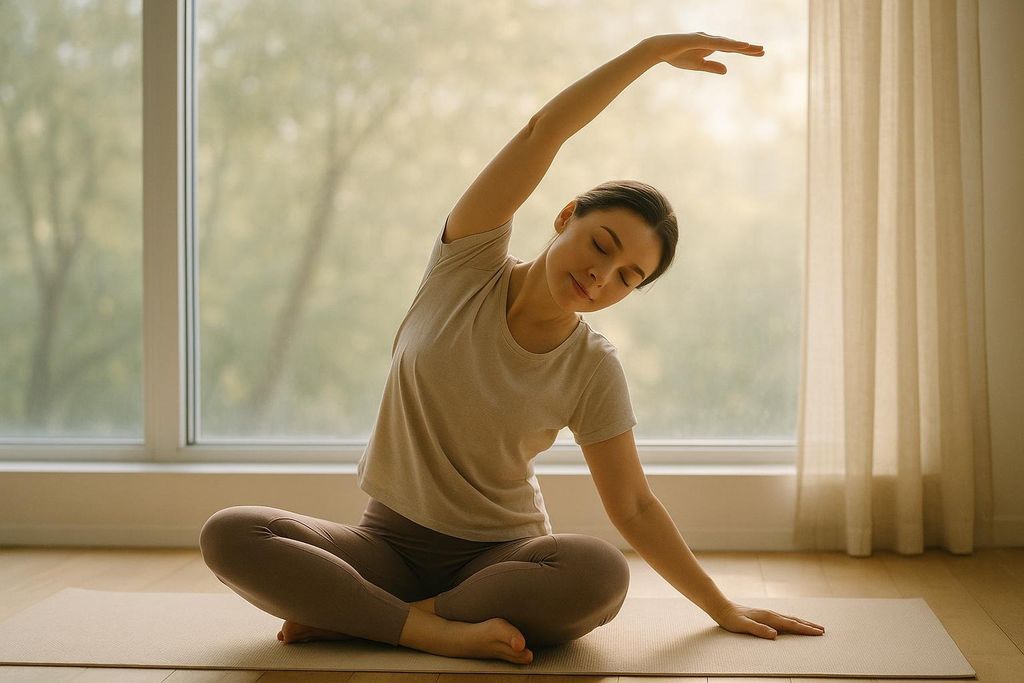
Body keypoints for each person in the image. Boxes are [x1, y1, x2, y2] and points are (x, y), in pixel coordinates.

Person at [200, 32, 820, 667]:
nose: (601, 277)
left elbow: (633, 506)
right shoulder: (465, 264)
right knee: (232, 533)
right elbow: (540, 133)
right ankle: (425, 629)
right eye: (601, 246)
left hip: (499, 562)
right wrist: (649, 53)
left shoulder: (593, 366)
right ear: (564, 216)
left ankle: (371, 617)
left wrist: (721, 607)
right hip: (383, 546)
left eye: (627, 277)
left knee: (600, 574)